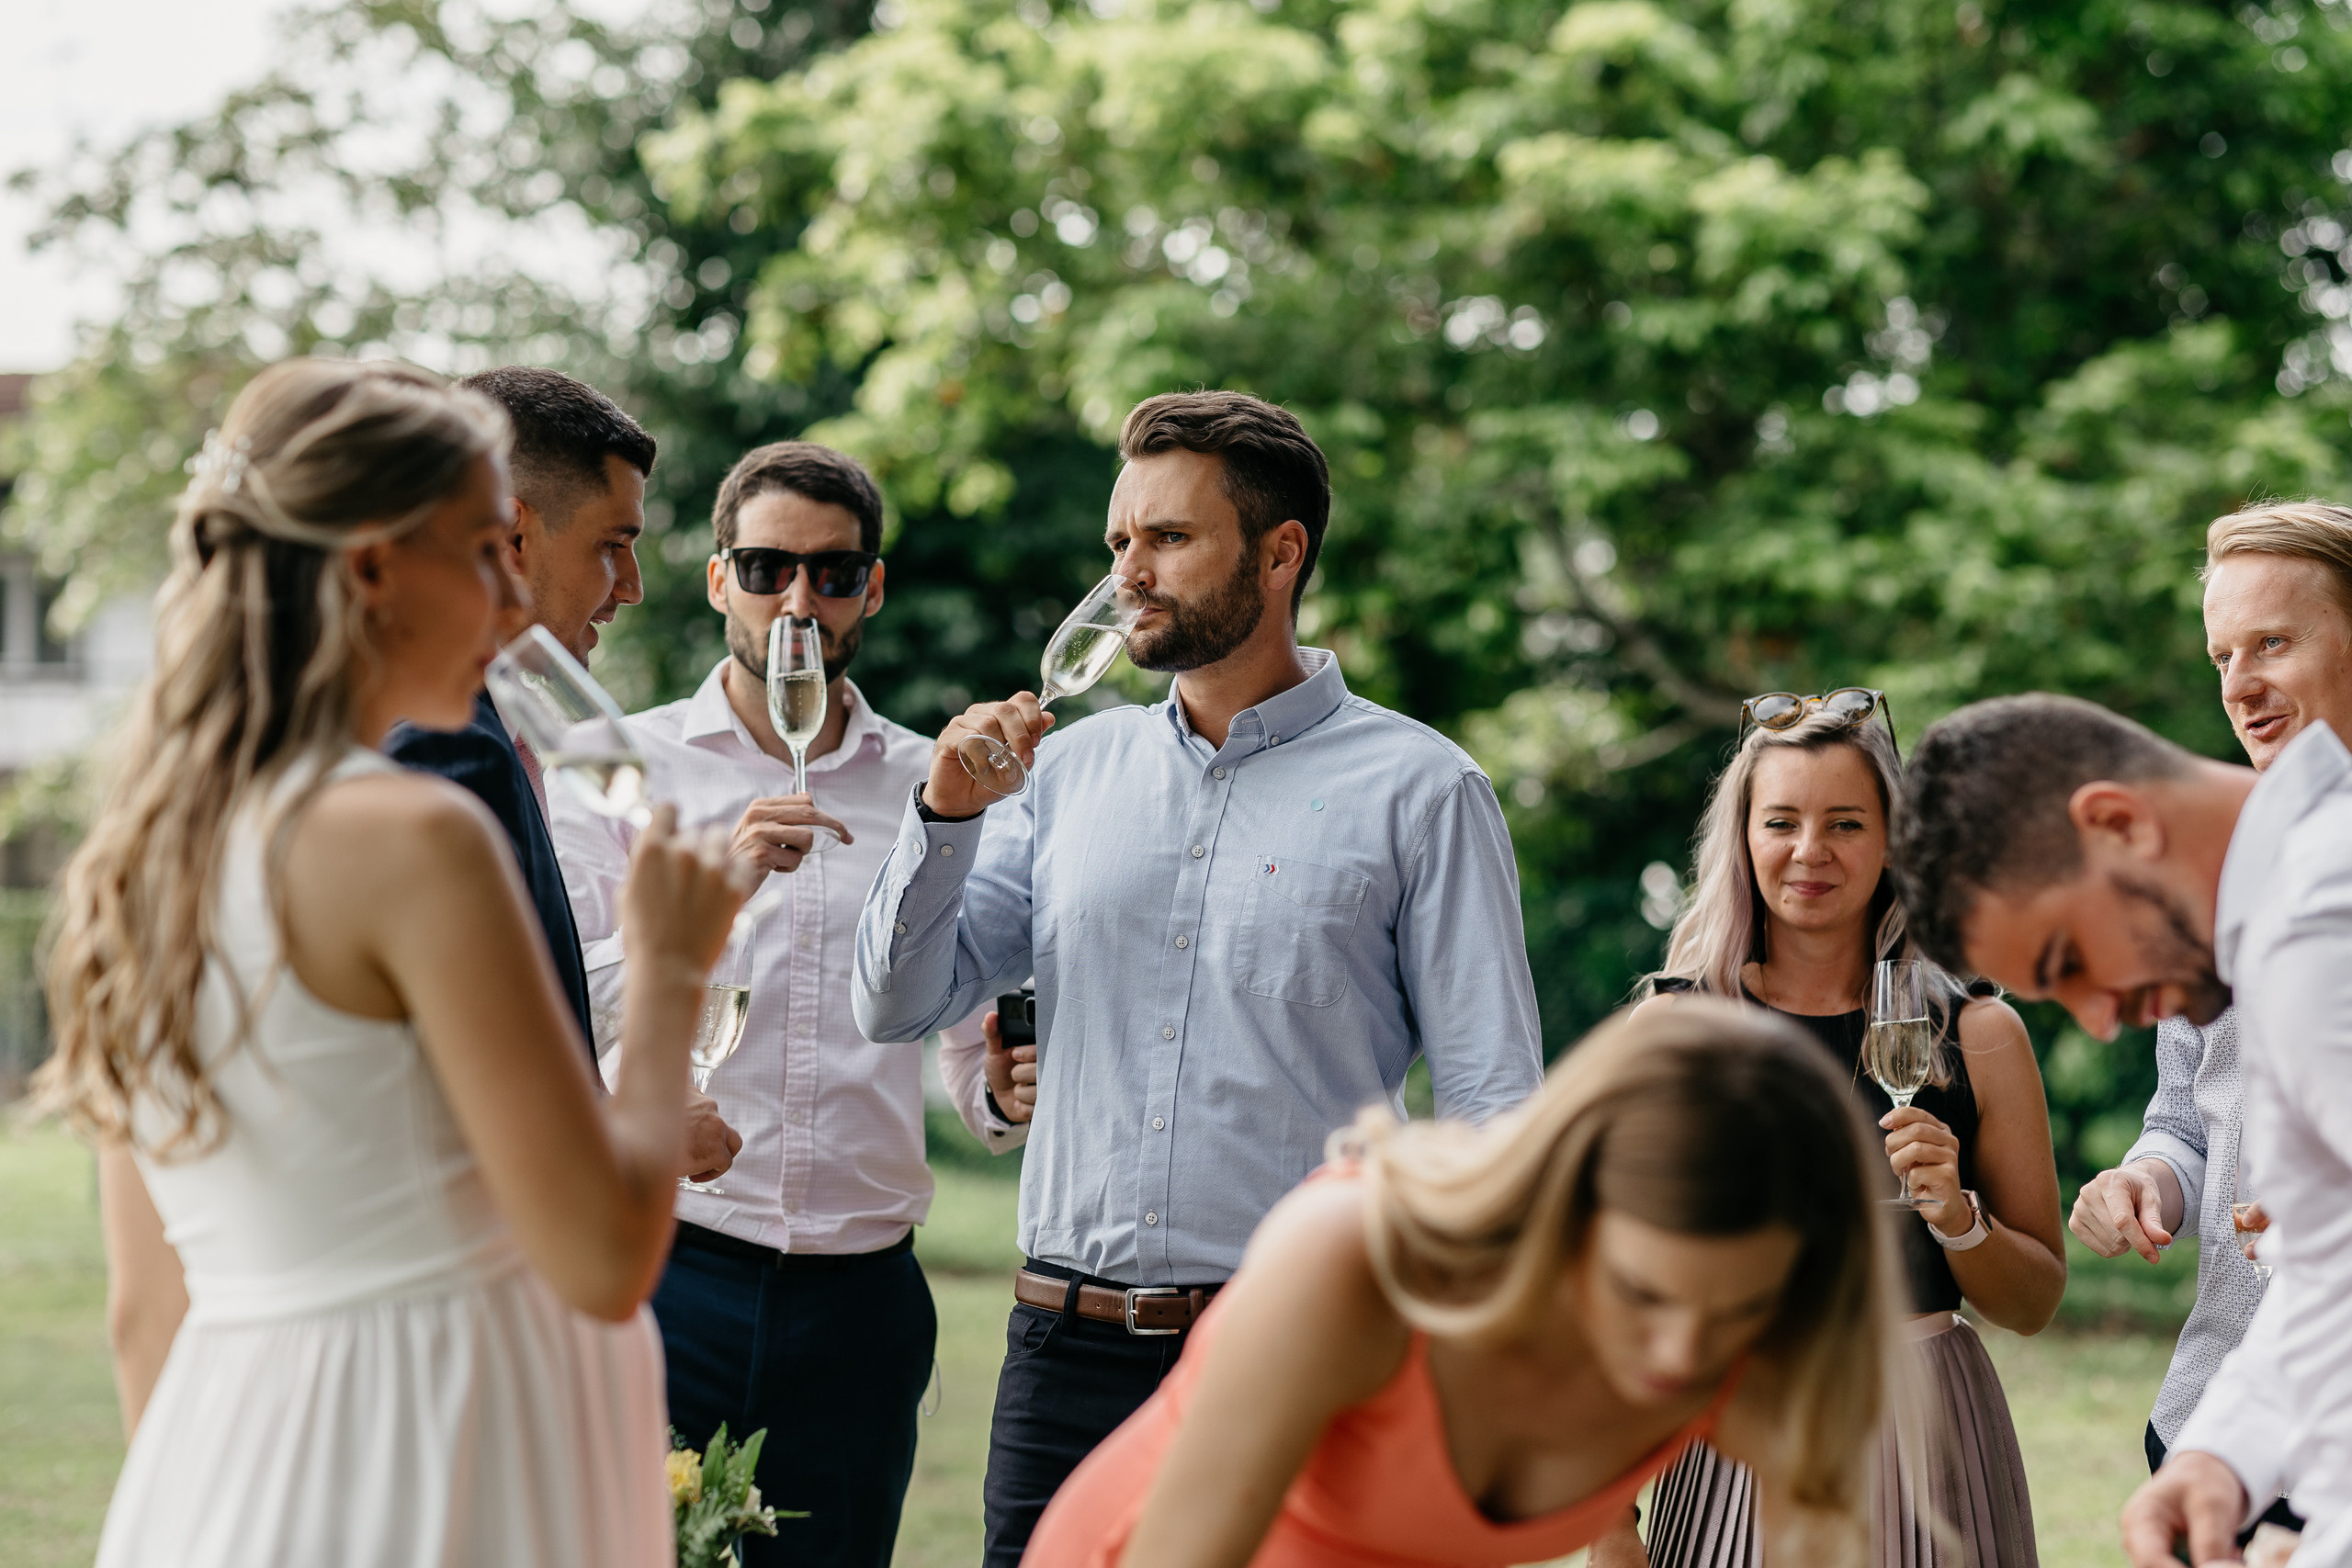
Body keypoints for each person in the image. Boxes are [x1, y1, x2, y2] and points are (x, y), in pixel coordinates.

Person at [39, 358, 748, 1566]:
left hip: (225, 1472)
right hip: (429, 1468)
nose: (511, 600)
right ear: (372, 567)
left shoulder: (148, 848)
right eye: (482, 550)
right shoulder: (412, 836)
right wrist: (677, 965)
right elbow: (604, 1253)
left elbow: (142, 1302)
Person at [852, 390, 1547, 1566]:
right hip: (1060, 1359)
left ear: (1280, 555)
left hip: (1301, 1356)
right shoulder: (1063, 773)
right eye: (1120, 543)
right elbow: (894, 1002)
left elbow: (1493, 1105)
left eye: (1168, 540)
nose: (1131, 572)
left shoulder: (1424, 791)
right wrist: (943, 817)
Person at [550, 439, 999, 1567]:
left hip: (863, 1296)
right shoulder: (610, 765)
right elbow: (555, 1003)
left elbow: (958, 1036)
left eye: (834, 573)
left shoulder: (929, 787)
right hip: (671, 1265)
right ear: (717, 581)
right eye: (765, 568)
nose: (798, 601)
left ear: (872, 589)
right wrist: (716, 893)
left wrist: (994, 1092)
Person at [1023, 998, 1907, 1568]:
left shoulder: (1763, 1338)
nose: (1686, 1356)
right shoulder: (1353, 1262)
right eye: (1641, 1293)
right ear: (1561, 1211)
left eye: (1744, 1311)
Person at [1891, 694, 2352, 1567]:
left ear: (2115, 822)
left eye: (2068, 959)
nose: (2100, 1023)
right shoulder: (2271, 921)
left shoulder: (2322, 925)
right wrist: (2223, 1456)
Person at [1623, 693, 2062, 1568]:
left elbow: (2035, 1302)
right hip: (1729, 1442)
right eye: (1780, 820)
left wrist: (1959, 1219)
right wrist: (1608, 1530)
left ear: (1896, 838)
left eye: (1847, 822)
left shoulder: (1979, 1035)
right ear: (1743, 838)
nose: (1810, 851)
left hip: (1927, 1431)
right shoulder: (1677, 1031)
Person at [2068, 502, 2352, 1537]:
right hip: (2215, 1408)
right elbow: (2188, 1116)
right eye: (2221, 655)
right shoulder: (2213, 873)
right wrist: (2143, 1179)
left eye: (2270, 643)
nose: (2236, 687)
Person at [379, 365, 739, 1181]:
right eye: (614, 546)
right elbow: (444, 1100)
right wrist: (637, 1118)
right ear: (512, 537)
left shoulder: (491, 729)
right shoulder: (447, 751)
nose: (633, 589)